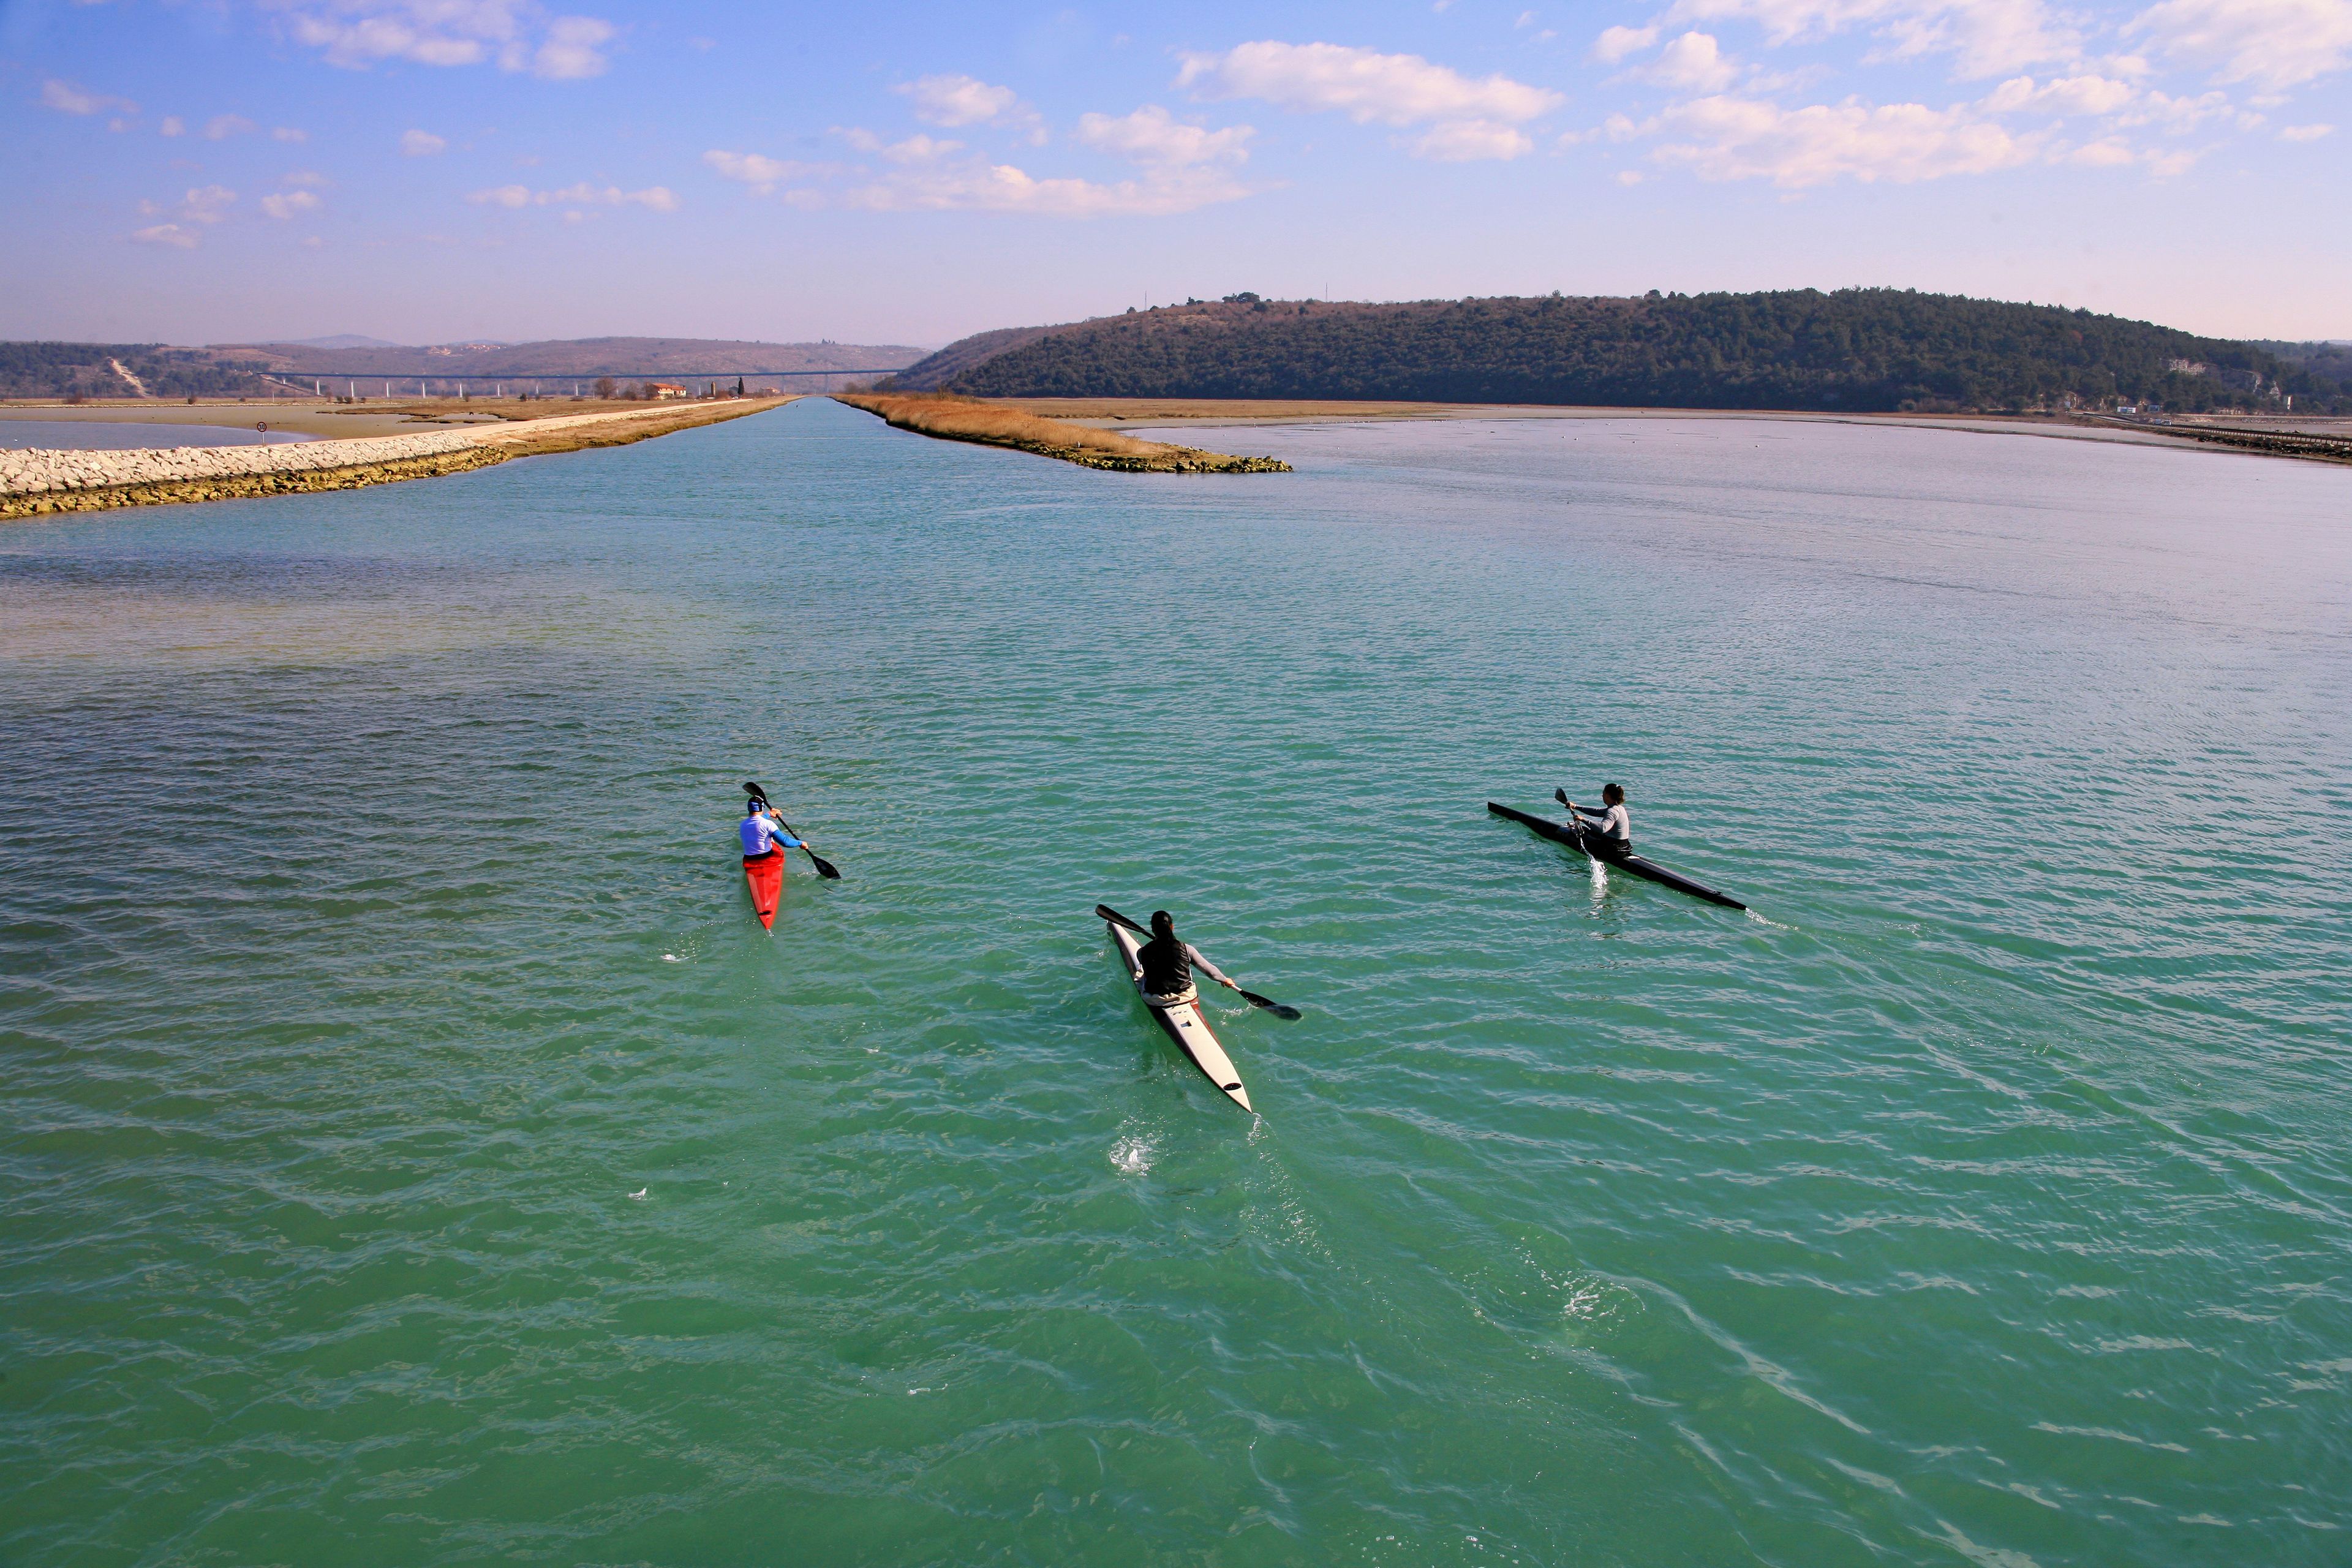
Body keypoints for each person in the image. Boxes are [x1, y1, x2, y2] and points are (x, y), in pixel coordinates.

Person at [1135, 910, 1239, 1009]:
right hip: (1185, 997)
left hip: (1156, 1001)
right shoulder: (1187, 949)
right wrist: (1225, 980)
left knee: (1142, 975)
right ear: (1172, 927)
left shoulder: (1141, 952)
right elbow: (1210, 971)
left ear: (1153, 930)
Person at [1566, 783, 1632, 856]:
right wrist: (1575, 806)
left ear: (1607, 796)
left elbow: (1603, 828)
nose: (1602, 796)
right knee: (1590, 831)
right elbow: (1596, 812)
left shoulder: (1612, 811)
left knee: (1581, 831)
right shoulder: (1619, 808)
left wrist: (1583, 819)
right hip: (1623, 844)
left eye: (1603, 793)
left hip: (1614, 848)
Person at [740, 797, 807, 866]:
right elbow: (786, 842)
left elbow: (757, 821)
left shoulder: (743, 824)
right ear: (762, 808)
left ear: (749, 809)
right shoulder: (768, 824)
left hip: (749, 860)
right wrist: (801, 843)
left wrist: (770, 814)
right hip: (766, 859)